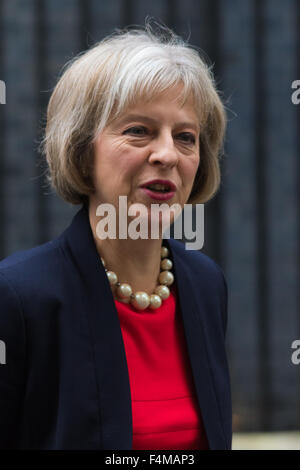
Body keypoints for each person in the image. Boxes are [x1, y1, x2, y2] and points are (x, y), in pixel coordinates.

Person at [0, 23, 232, 450]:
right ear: (81, 149)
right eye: (138, 131)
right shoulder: (17, 296)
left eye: (185, 137)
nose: (166, 154)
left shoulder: (205, 284)